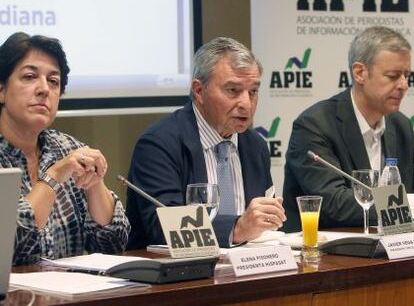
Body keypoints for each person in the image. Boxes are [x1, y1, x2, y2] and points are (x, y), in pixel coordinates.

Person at [126, 37, 286, 249]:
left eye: (253, 91)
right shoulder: (159, 144)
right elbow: (161, 226)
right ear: (199, 91)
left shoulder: (255, 146)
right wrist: (236, 229)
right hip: (178, 277)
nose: (246, 104)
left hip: (246, 269)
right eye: (233, 90)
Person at [0, 32, 130, 265]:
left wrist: (95, 184)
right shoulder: (63, 164)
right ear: (1, 89)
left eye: (54, 81)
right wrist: (54, 177)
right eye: (30, 76)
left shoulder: (68, 149)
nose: (44, 89)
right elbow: (10, 246)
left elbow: (114, 244)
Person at [283, 26, 413, 233]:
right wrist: (406, 206)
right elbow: (333, 203)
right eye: (393, 76)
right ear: (360, 73)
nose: (404, 85)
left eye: (407, 75)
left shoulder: (401, 125)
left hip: (391, 251)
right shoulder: (314, 125)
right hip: (324, 255)